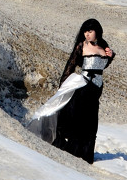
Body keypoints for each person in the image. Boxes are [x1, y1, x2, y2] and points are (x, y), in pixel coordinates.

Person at [26, 18, 114, 163]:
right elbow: (70, 64)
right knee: (78, 119)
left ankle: (86, 156)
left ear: (97, 31)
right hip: (84, 87)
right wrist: (62, 85)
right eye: (85, 31)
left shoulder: (104, 46)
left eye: (90, 31)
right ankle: (71, 151)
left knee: (92, 123)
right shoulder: (82, 45)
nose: (87, 34)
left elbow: (103, 64)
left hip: (96, 89)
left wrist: (110, 56)